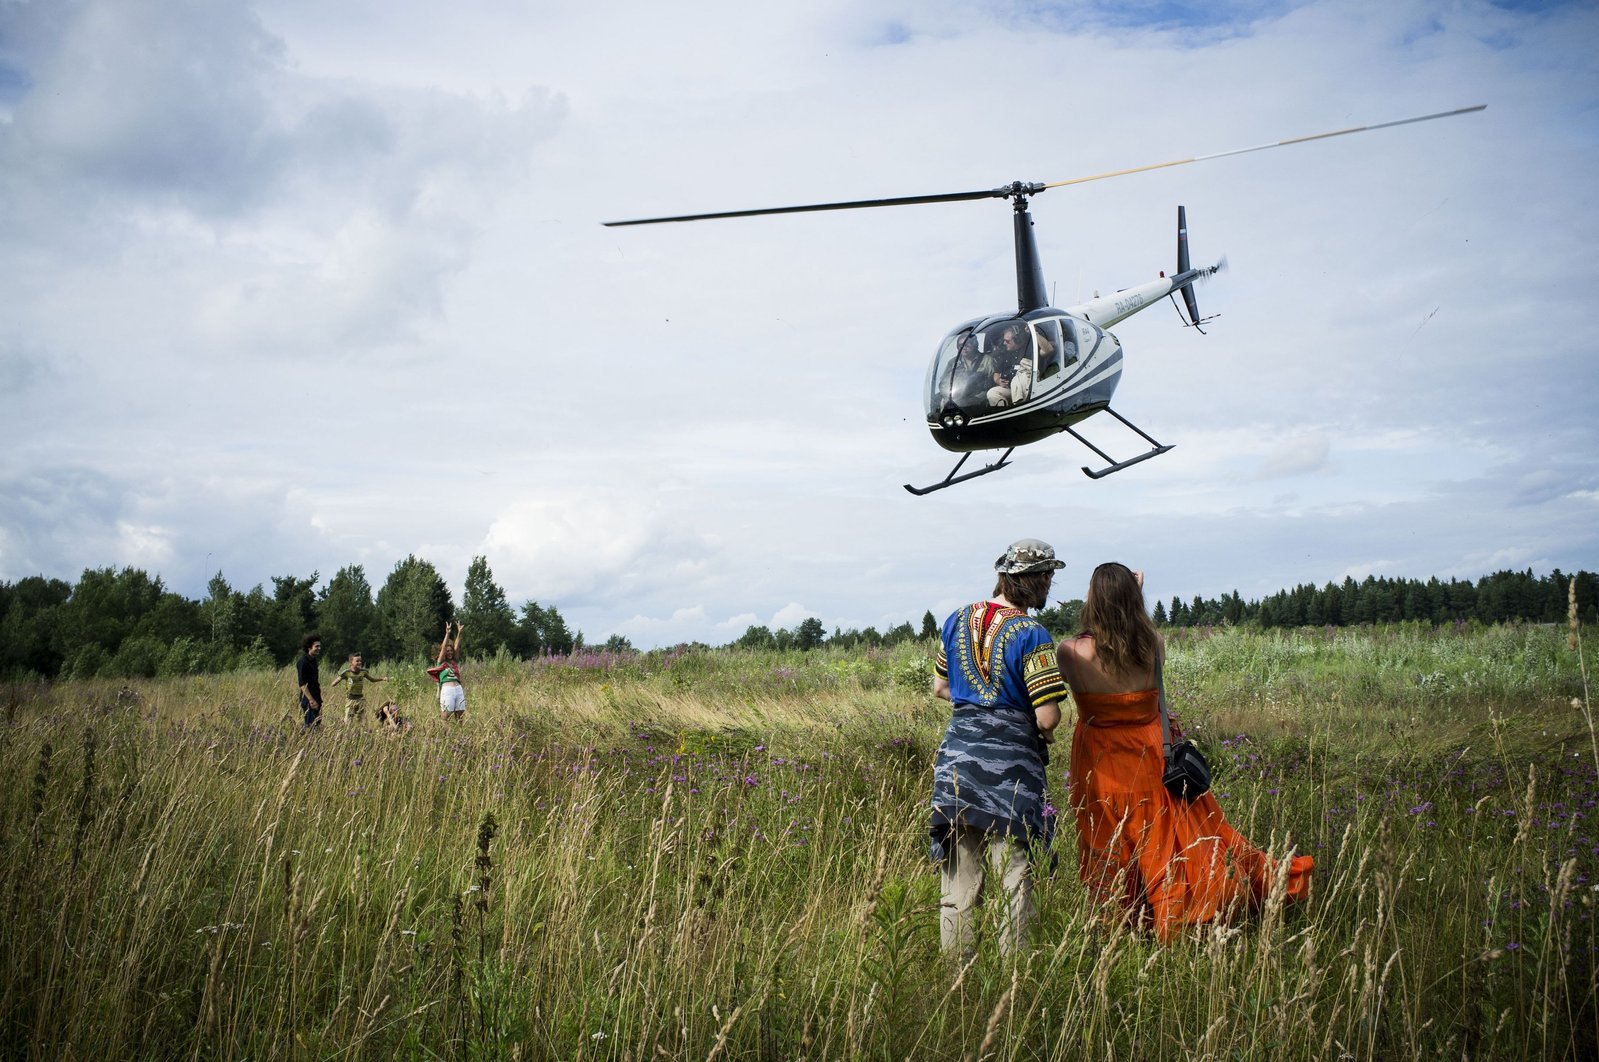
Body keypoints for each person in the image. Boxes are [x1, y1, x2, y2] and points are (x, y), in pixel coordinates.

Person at [1057, 563, 1313, 942]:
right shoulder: (1154, 644)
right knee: (1160, 842)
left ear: (1092, 598)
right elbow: (1133, 630)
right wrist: (1135, 593)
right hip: (1149, 757)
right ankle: (1174, 920)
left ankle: (1118, 926)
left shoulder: (1072, 653)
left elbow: (1093, 646)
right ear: (1133, 597)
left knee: (1107, 843)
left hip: (1100, 762)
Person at [930, 538, 1068, 957]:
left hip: (955, 765)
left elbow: (939, 687)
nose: (1049, 584)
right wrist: (1039, 727)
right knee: (1014, 877)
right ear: (1033, 580)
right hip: (1010, 774)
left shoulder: (957, 618)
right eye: (1047, 576)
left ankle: (958, 981)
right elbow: (1048, 717)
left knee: (958, 883)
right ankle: (1015, 980)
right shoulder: (1031, 633)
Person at [328, 652, 387, 723]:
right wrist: (335, 682)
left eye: (360, 661)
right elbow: (336, 681)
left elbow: (372, 679)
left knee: (363, 720)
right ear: (351, 662)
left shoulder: (363, 672)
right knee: (348, 720)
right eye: (357, 661)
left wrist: (382, 678)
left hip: (360, 699)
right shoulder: (346, 672)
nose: (359, 662)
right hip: (350, 699)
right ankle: (345, 727)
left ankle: (362, 733)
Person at [430, 621, 466, 721]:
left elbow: (457, 646)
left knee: (460, 716)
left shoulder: (454, 661)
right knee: (446, 716)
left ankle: (460, 735)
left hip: (458, 689)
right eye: (447, 651)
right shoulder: (441, 662)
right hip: (447, 690)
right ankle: (446, 734)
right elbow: (443, 647)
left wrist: (459, 632)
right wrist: (447, 633)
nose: (449, 652)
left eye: (451, 651)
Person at [295, 634, 323, 729]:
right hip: (308, 698)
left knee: (317, 725)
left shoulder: (314, 660)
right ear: (309, 647)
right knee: (310, 727)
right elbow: (302, 684)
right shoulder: (303, 662)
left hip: (316, 695)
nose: (319, 648)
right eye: (316, 646)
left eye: (319, 646)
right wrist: (311, 700)